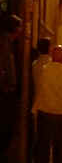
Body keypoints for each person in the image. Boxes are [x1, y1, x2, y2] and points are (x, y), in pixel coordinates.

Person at [33, 46, 62, 163]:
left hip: (45, 111)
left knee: (43, 144)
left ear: (52, 57)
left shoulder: (45, 68)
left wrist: (35, 109)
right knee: (61, 145)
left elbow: (40, 89)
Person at [0, 15, 23, 161]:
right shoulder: (4, 42)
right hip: (5, 92)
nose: (22, 30)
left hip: (7, 90)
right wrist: (6, 86)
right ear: (15, 28)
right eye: (20, 26)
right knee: (5, 127)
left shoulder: (8, 42)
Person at [31, 38, 51, 158]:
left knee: (38, 134)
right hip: (49, 104)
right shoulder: (51, 63)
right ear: (49, 48)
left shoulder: (34, 64)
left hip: (37, 102)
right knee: (47, 137)